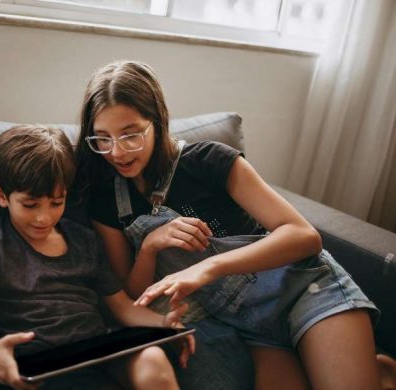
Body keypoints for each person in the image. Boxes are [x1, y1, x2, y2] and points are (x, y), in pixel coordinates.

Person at [74, 60, 396, 389]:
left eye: (131, 135)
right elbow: (133, 295)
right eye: (102, 139)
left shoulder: (209, 161)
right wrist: (151, 246)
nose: (117, 152)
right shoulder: (106, 198)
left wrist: (208, 267)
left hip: (303, 289)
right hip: (248, 327)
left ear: (157, 121)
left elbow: (303, 235)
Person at [0, 124, 194, 390]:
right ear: (1, 195)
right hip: (48, 366)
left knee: (153, 360)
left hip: (102, 348)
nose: (43, 217)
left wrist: (165, 325)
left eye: (56, 203)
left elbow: (120, 307)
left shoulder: (83, 239)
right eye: (30, 204)